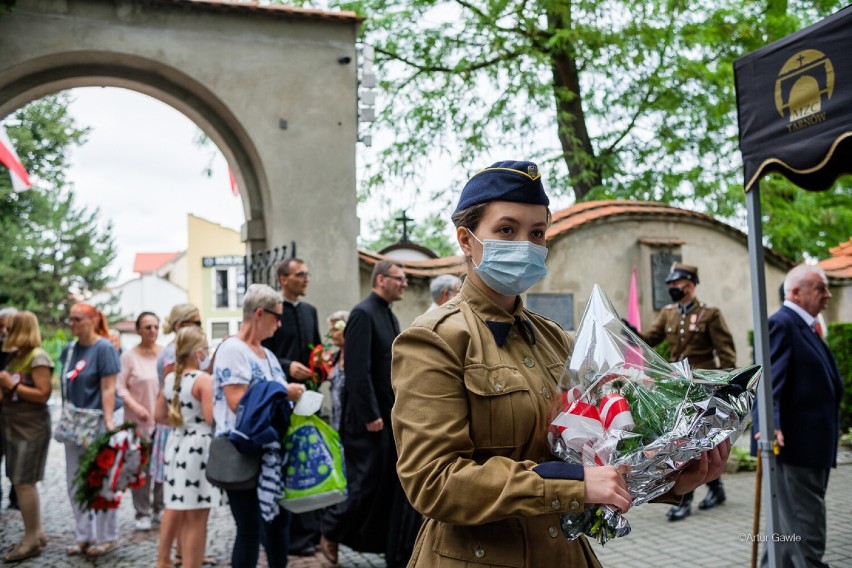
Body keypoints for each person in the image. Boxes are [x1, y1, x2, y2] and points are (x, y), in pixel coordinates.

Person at [391, 160, 730, 567]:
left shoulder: (556, 339)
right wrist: (574, 486)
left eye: (537, 233)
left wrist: (673, 479)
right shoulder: (436, 339)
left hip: (563, 554)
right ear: (466, 240)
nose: (525, 245)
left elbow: (597, 455)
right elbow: (434, 482)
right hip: (477, 557)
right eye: (506, 230)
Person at [320, 260, 417, 567]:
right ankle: (329, 531)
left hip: (387, 415)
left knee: (386, 484)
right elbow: (358, 371)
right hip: (366, 420)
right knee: (364, 484)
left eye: (405, 279)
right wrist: (369, 415)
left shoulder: (387, 314)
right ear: (380, 280)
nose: (404, 284)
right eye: (399, 279)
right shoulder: (362, 313)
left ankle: (389, 549)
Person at [635, 262, 736, 521]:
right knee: (689, 442)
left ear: (690, 285)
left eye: (675, 284)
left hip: (703, 390)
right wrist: (630, 333)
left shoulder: (709, 314)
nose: (671, 288)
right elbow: (650, 338)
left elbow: (726, 354)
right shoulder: (669, 314)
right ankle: (716, 489)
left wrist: (724, 389)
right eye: (669, 284)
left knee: (693, 444)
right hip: (680, 388)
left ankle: (685, 499)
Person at [213, 283, 304, 568]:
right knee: (250, 528)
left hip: (271, 452)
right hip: (243, 449)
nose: (279, 324)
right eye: (277, 317)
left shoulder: (267, 354)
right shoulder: (232, 349)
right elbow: (237, 402)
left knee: (279, 524)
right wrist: (282, 392)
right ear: (259, 314)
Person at [757, 265, 842, 568]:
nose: (828, 295)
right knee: (806, 531)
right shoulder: (782, 324)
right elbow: (769, 383)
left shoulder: (805, 325)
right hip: (793, 447)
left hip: (810, 447)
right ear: (795, 292)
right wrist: (772, 423)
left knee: (785, 533)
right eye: (821, 288)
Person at [261, 257, 323, 556]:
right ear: (283, 279)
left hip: (309, 400)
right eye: (300, 274)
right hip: (281, 401)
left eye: (307, 274)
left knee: (308, 461)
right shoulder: (273, 311)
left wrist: (321, 368)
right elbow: (263, 352)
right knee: (287, 466)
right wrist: (288, 366)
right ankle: (285, 535)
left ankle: (310, 533)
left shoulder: (310, 311)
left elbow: (317, 349)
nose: (306, 279)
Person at [154, 326, 221, 568]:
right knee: (197, 515)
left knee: (176, 504)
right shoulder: (203, 381)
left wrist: (182, 424)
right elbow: (212, 418)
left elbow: (159, 414)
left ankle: (163, 560)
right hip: (199, 448)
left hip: (177, 443)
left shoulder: (172, 378)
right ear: (198, 352)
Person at [60, 302, 123, 558]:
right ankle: (84, 534)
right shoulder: (69, 349)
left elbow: (108, 387)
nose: (72, 324)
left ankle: (106, 536)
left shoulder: (104, 348)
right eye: (71, 320)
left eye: (78, 319)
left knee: (102, 480)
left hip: (98, 420)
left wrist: (109, 421)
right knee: (75, 480)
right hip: (75, 423)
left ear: (92, 319)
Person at [0, 311, 52, 561]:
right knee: (19, 479)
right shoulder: (15, 356)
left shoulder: (38, 357)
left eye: (9, 328)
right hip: (12, 424)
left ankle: (31, 539)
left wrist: (13, 386)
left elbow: (43, 394)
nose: (5, 332)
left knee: (23, 481)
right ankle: (37, 532)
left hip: (31, 427)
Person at [152, 303, 202, 559]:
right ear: (182, 325)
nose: (200, 326)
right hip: (180, 428)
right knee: (179, 500)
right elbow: (174, 398)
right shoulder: (175, 354)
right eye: (197, 322)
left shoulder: (173, 351)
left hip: (179, 428)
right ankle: (171, 557)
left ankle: (186, 553)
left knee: (184, 499)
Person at [116, 311, 163, 531]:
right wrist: (135, 407)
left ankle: (159, 507)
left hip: (162, 420)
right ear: (138, 330)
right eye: (147, 327)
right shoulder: (129, 357)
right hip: (138, 420)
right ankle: (142, 511)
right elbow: (120, 386)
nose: (152, 331)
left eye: (155, 326)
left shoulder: (164, 354)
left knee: (161, 466)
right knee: (140, 468)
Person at [0, 306, 19, 512]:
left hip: (16, 414)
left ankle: (16, 497)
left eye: (6, 327)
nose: (4, 331)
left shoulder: (22, 354)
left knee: (16, 457)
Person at [325, 311, 349, 432]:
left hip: (351, 422)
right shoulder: (333, 358)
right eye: (331, 330)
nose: (332, 335)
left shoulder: (355, 358)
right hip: (336, 421)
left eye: (336, 330)